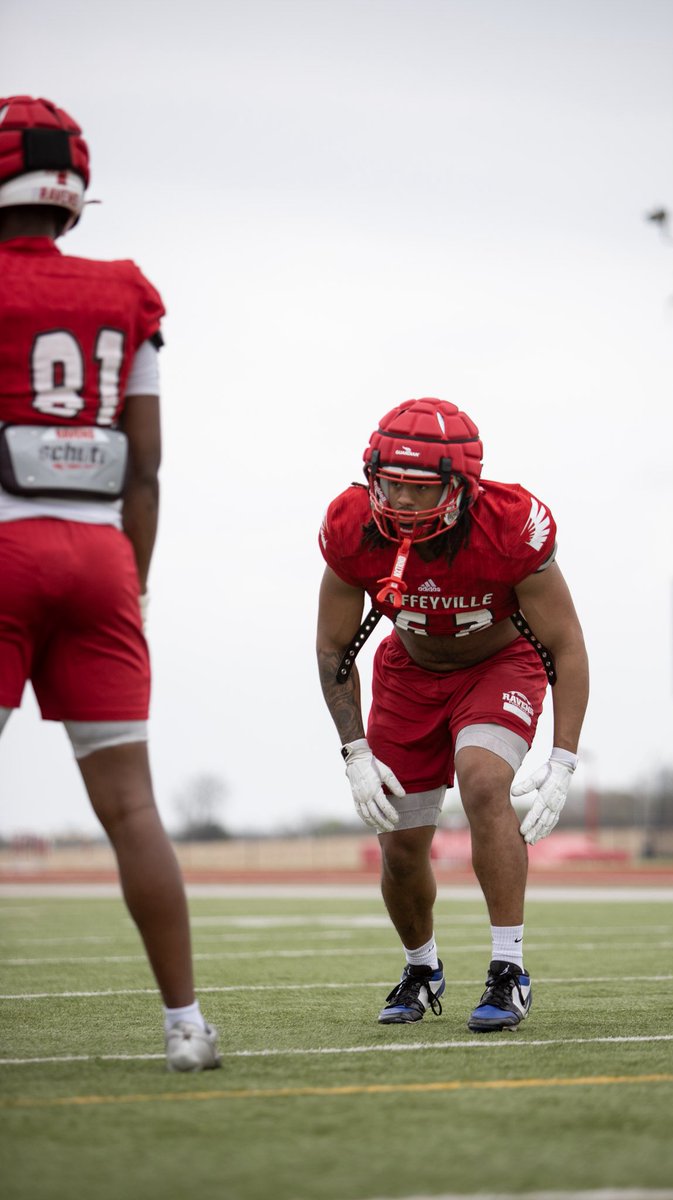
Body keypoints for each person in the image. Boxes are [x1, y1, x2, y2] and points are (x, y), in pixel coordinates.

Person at [0, 95, 219, 1071]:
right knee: (132, 808)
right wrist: (135, 582)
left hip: (4, 548)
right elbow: (147, 464)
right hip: (101, 557)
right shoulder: (129, 290)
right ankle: (184, 1027)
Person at [317, 397, 589, 1032]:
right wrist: (354, 751)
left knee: (483, 780)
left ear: (462, 486)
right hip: (409, 676)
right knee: (402, 842)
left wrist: (564, 759)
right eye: (390, 484)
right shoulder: (351, 525)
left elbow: (567, 644)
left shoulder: (511, 524)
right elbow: (333, 646)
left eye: (421, 488)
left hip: (499, 664)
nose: (402, 503)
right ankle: (421, 967)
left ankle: (508, 969)